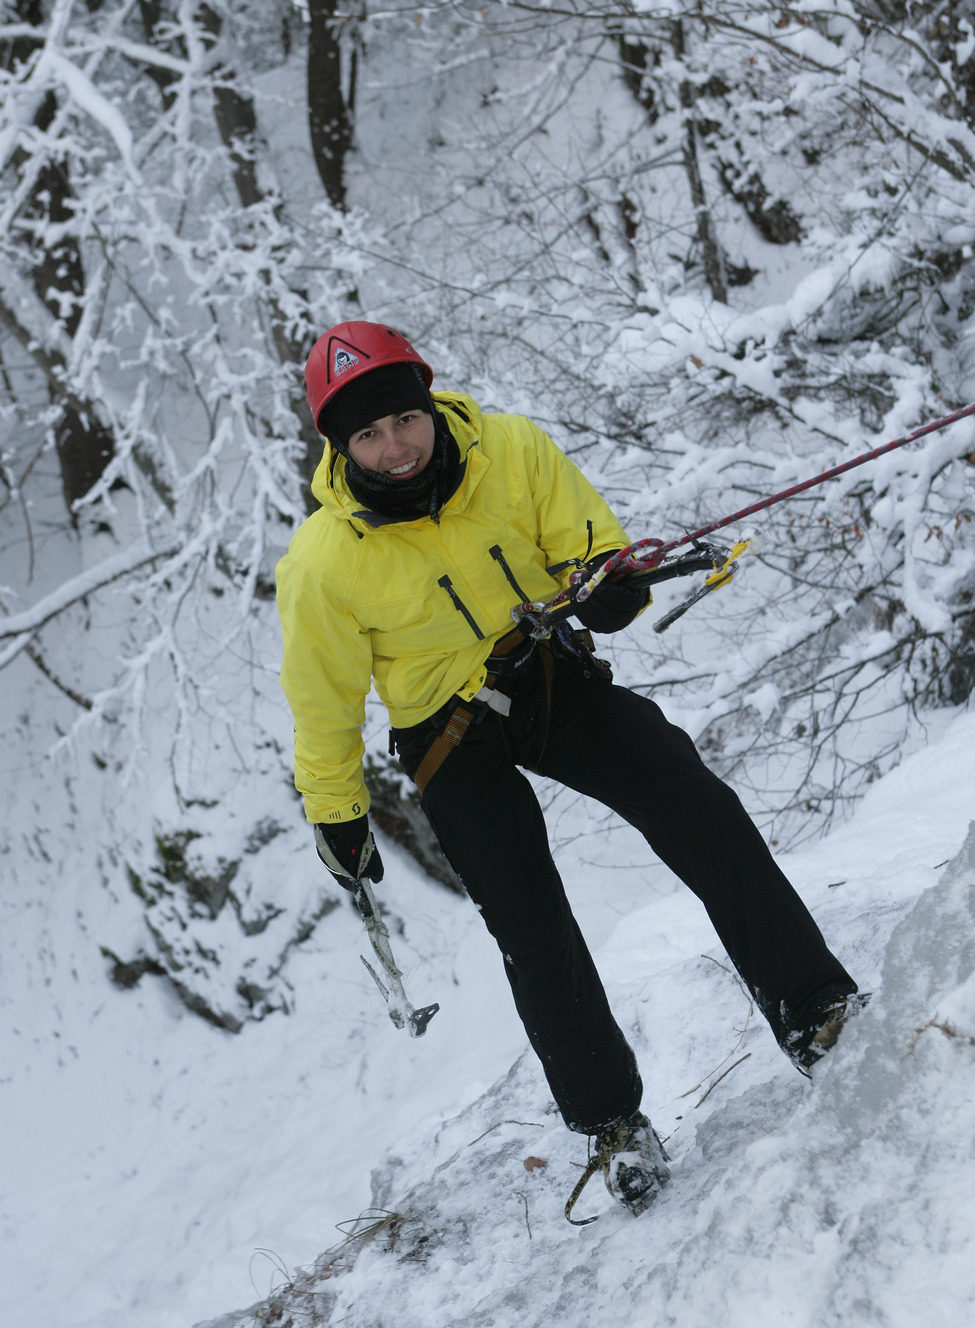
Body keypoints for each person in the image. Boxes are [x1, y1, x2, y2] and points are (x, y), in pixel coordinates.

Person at [275, 320, 865, 1221]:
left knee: (695, 805)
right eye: (366, 434)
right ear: (338, 446)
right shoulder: (322, 562)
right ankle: (612, 1125)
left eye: (403, 418)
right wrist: (336, 813)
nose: (393, 448)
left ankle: (814, 1010)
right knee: (529, 920)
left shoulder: (508, 448)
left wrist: (610, 581)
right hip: (447, 731)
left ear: (427, 402)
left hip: (545, 670)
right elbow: (322, 702)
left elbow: (591, 544)